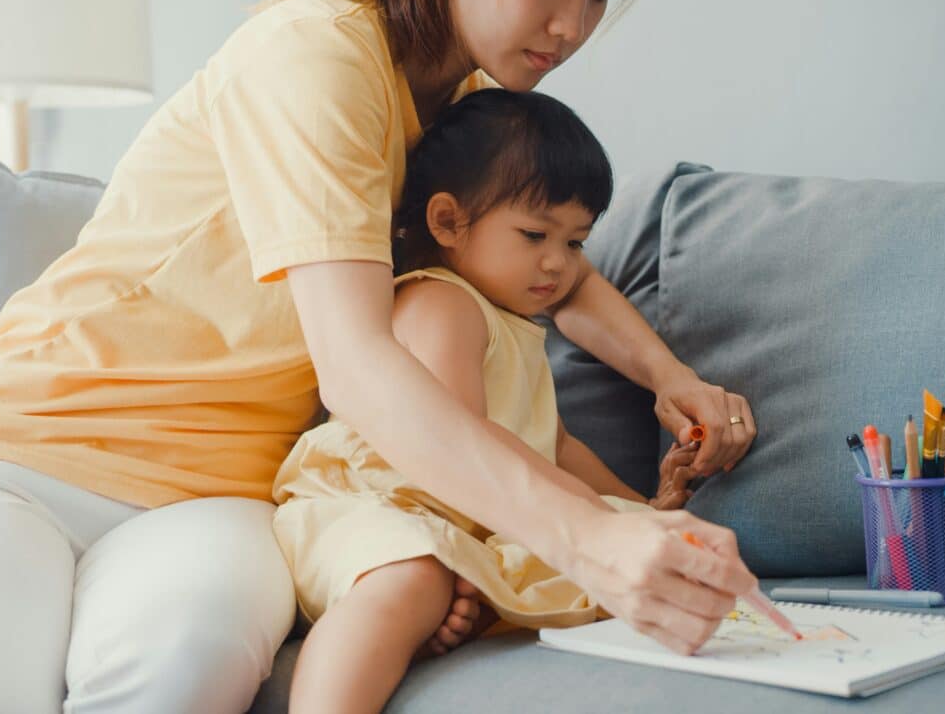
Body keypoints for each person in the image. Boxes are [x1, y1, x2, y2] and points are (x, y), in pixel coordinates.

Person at [0, 0, 760, 712]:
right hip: (10, 454)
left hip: (217, 502)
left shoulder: (468, 112)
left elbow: (566, 275)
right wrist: (592, 537)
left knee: (179, 668)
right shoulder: (315, 50)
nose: (571, 25)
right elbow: (359, 367)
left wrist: (669, 378)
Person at [275, 87, 708, 713]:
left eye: (577, 242)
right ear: (449, 222)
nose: (559, 264)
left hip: (465, 517)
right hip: (371, 504)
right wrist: (597, 518)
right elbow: (462, 436)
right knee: (411, 577)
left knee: (665, 553)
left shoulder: (517, 324)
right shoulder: (440, 301)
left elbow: (554, 446)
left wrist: (639, 509)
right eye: (536, 234)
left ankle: (458, 610)